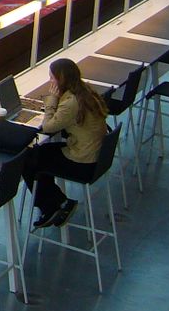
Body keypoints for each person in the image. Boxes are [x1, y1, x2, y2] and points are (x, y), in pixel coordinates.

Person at [23, 58, 109, 229]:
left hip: (82, 162)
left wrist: (51, 102)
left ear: (61, 80)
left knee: (28, 160)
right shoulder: (85, 91)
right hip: (95, 155)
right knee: (40, 154)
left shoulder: (70, 103)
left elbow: (47, 127)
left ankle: (53, 206)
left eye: (52, 78)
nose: (50, 82)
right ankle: (57, 203)